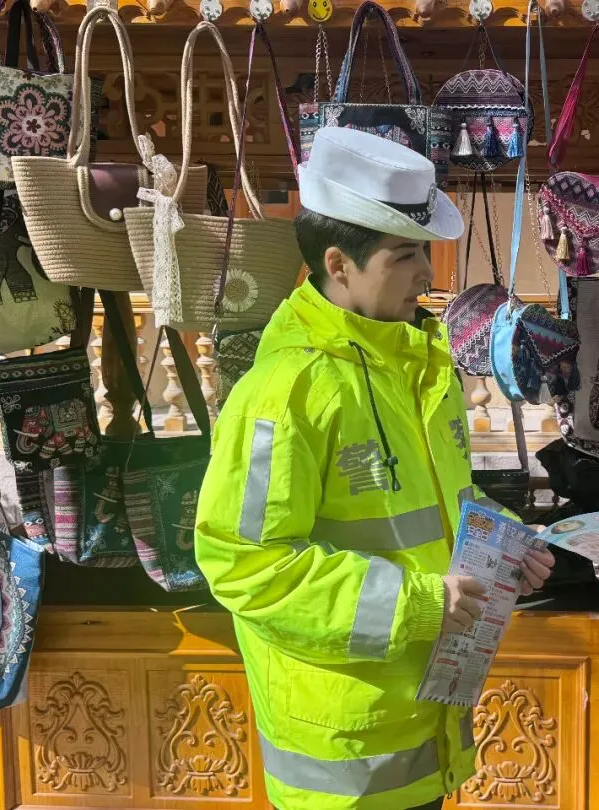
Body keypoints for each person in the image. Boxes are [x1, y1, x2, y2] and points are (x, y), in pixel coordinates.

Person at [195, 127, 555, 810]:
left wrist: (507, 540)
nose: (427, 273)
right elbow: (245, 564)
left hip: (423, 723)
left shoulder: (418, 366)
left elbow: (440, 501)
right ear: (339, 264)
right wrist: (420, 604)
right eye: (406, 254)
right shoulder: (286, 391)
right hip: (341, 752)